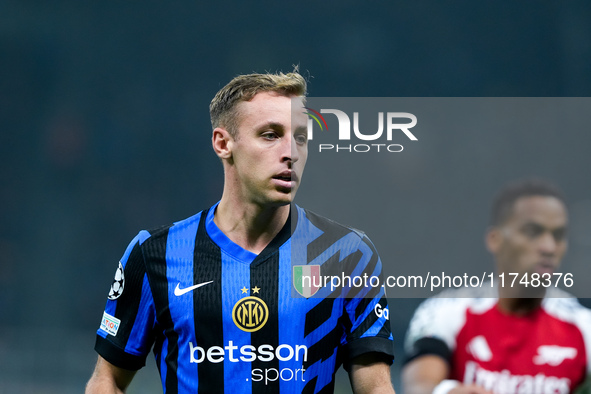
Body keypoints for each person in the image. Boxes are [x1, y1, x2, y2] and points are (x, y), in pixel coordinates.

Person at [85, 70, 395, 393]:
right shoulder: (154, 254)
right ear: (223, 143)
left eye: (300, 137)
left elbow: (375, 388)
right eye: (271, 134)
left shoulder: (348, 254)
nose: (291, 152)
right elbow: (107, 380)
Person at [402, 179, 591, 394]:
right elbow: (420, 386)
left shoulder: (583, 326)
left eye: (558, 236)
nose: (549, 247)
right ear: (495, 239)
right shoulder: (446, 310)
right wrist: (446, 392)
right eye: (533, 232)